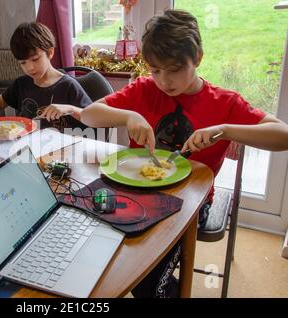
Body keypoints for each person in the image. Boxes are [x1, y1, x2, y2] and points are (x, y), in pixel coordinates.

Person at [80, 9, 288, 298]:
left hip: (189, 204)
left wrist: (226, 130)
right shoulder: (143, 90)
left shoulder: (224, 102)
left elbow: (283, 136)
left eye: (174, 69)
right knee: (89, 240)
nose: (164, 80)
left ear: (198, 58)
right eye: (155, 70)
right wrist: (128, 116)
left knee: (147, 270)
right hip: (134, 192)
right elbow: (88, 115)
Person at [0, 22, 91, 131]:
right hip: (28, 145)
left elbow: (93, 117)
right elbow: (1, 102)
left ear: (50, 53)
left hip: (61, 148)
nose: (29, 68)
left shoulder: (69, 86)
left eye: (35, 59)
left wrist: (71, 109)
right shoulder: (21, 84)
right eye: (23, 63)